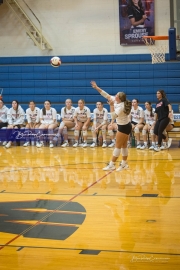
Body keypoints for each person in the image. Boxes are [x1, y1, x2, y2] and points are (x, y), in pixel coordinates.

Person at [91, 81, 132, 171]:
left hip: (124, 127)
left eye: (117, 95)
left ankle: (112, 164)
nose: (115, 95)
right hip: (125, 126)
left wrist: (111, 106)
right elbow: (106, 95)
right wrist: (96, 87)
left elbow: (113, 116)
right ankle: (124, 164)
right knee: (124, 146)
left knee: (117, 146)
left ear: (119, 98)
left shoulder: (121, 106)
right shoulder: (117, 100)